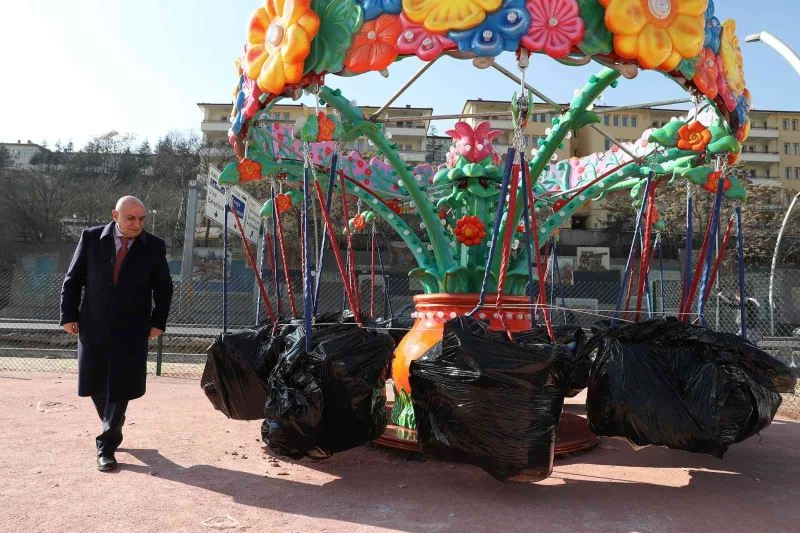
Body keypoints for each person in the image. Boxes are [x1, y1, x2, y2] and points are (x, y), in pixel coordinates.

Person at [60, 196, 173, 471]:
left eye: (142, 219)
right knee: (95, 380)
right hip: (94, 323)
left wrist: (158, 321)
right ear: (115, 215)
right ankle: (112, 423)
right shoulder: (91, 238)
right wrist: (68, 315)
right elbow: (73, 279)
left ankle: (106, 444)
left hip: (133, 327)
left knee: (120, 383)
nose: (137, 224)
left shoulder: (154, 246)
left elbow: (164, 287)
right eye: (131, 218)